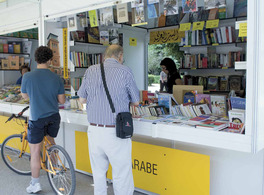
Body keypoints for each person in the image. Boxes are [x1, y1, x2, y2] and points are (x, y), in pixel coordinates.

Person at [78, 45, 140, 195]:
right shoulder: (125, 70)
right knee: (121, 173)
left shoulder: (90, 70)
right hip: (116, 131)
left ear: (105, 56)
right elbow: (136, 101)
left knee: (98, 174)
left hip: (94, 129)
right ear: (120, 56)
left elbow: (82, 99)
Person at [21, 46, 65, 193]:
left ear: (36, 59)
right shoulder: (56, 77)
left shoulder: (28, 76)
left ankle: (35, 184)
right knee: (51, 142)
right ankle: (55, 170)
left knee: (35, 151)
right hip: (53, 117)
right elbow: (62, 100)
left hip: (37, 118)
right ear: (50, 59)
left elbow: (25, 96)